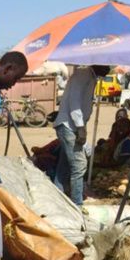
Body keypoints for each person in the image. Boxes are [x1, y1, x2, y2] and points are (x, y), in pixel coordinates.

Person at [53, 65, 110, 206]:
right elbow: (75, 103)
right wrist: (80, 127)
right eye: (105, 65)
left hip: (73, 125)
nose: (108, 68)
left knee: (65, 165)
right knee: (79, 164)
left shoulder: (91, 78)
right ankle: (77, 204)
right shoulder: (82, 75)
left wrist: (82, 126)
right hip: (68, 125)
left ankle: (57, 196)